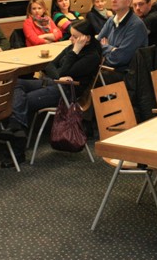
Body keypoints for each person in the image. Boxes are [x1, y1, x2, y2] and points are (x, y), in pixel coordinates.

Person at [5, 20, 102, 167]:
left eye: (75, 37)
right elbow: (50, 66)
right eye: (71, 35)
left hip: (67, 93)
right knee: (16, 83)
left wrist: (75, 52)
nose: (71, 39)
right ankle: (16, 128)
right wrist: (58, 76)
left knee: (20, 101)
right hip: (54, 84)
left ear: (86, 38)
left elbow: (64, 71)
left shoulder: (91, 56)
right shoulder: (72, 47)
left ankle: (17, 153)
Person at [97, 0, 148, 74]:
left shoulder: (136, 25)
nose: (113, 0)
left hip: (126, 74)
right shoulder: (111, 20)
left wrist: (105, 46)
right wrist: (112, 49)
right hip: (107, 68)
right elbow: (96, 45)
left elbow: (119, 59)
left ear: (128, 2)